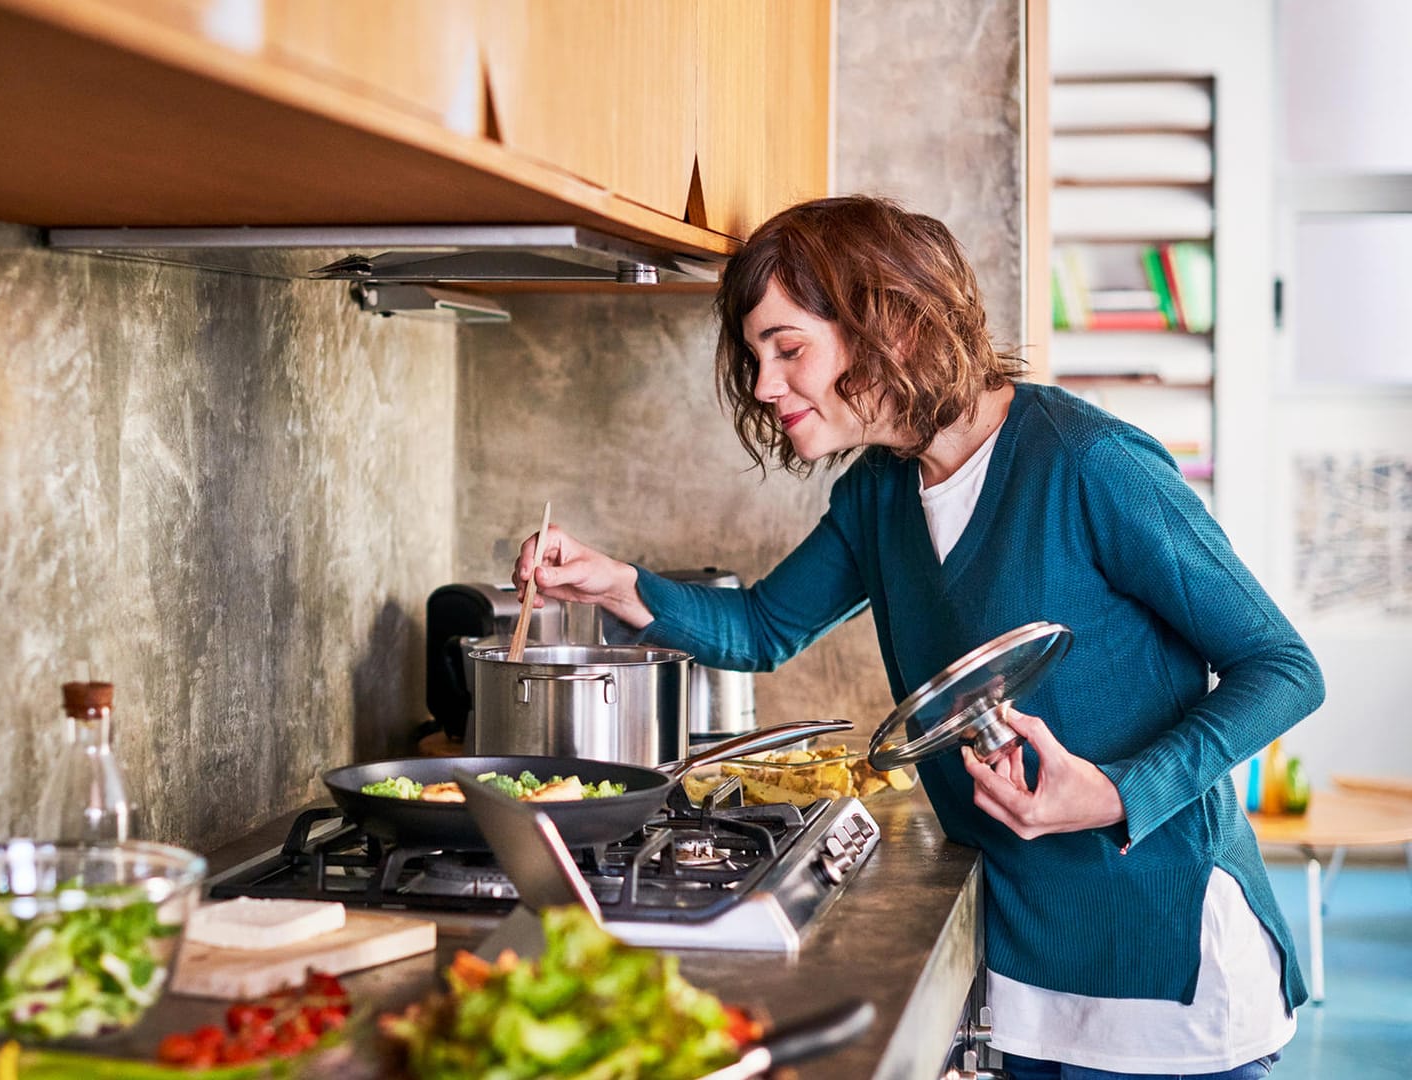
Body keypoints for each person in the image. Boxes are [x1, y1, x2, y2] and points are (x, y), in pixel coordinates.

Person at [515, 196, 1322, 1080]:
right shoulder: (879, 495)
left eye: (788, 349)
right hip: (1021, 968)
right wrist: (618, 583)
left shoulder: (1088, 464)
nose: (764, 385)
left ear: (890, 322)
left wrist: (1118, 793)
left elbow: (1282, 668)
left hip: (1167, 968)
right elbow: (763, 627)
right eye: (755, 357)